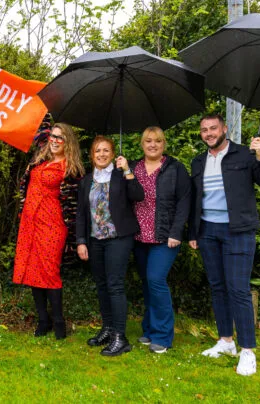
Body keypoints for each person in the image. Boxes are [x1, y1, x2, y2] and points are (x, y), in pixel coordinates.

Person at [188, 114, 260, 376]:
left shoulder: (245, 154)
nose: (209, 133)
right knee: (218, 287)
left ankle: (248, 351)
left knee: (238, 289)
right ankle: (226, 341)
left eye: (213, 128)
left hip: (237, 230)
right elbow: (195, 200)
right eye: (204, 130)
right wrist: (194, 232)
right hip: (208, 231)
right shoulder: (198, 161)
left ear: (224, 129)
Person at [13, 121, 84, 340]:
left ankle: (59, 322)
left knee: (50, 272)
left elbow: (76, 203)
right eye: (53, 136)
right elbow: (39, 131)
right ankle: (43, 321)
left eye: (60, 138)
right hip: (30, 223)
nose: (54, 140)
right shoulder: (40, 160)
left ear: (68, 142)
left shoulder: (70, 169)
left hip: (53, 224)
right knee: (33, 272)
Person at [77, 136, 144, 356]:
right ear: (92, 155)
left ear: (113, 154)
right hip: (95, 240)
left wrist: (127, 171)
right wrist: (81, 241)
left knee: (115, 285)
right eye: (98, 151)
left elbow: (138, 195)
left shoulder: (120, 175)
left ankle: (120, 337)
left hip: (118, 238)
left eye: (106, 151)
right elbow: (81, 214)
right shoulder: (86, 180)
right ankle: (107, 328)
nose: (102, 154)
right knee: (102, 285)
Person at [131, 127, 190, 354]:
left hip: (165, 236)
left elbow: (184, 201)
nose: (152, 145)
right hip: (139, 236)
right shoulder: (134, 167)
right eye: (148, 141)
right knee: (147, 283)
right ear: (142, 144)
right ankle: (149, 329)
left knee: (156, 279)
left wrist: (177, 232)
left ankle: (163, 336)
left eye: (157, 141)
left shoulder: (174, 169)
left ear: (163, 144)